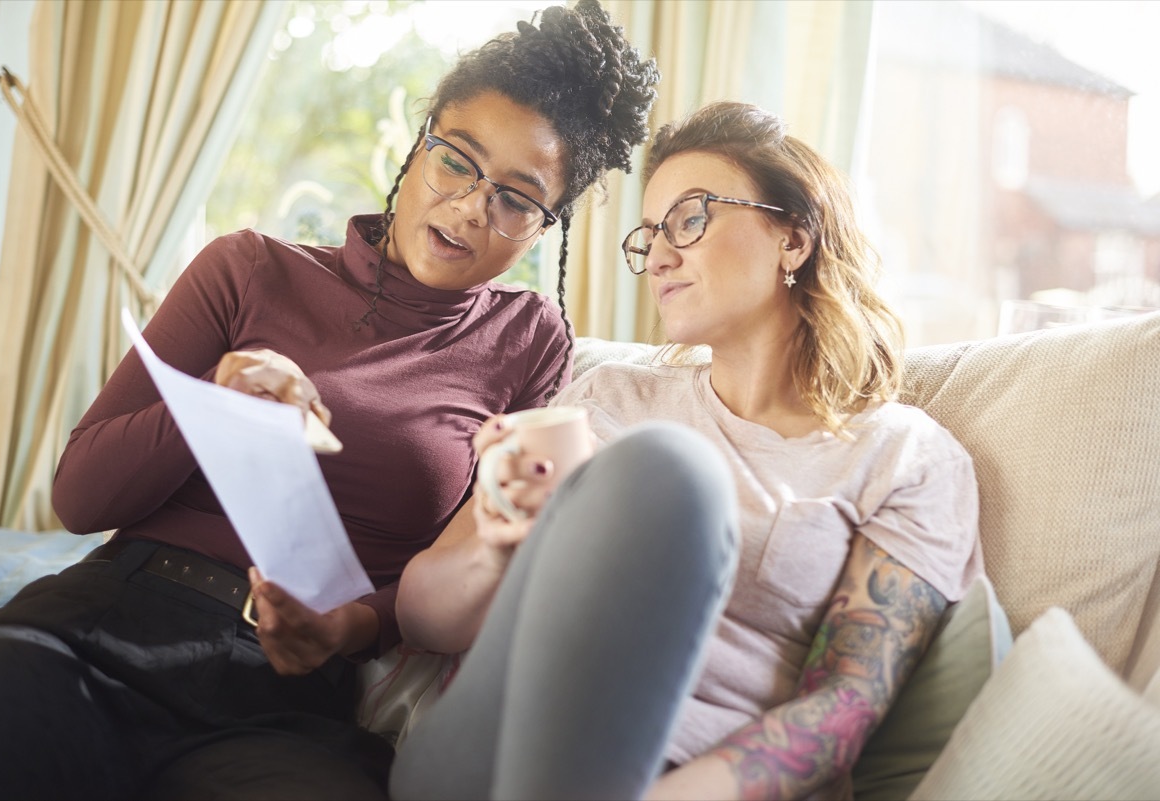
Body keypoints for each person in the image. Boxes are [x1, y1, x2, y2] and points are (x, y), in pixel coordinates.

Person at [0, 3, 659, 798]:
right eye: (457, 160)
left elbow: (463, 562)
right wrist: (214, 403)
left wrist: (347, 626)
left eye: (517, 199)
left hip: (285, 692)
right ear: (419, 144)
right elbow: (81, 499)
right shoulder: (247, 268)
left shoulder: (528, 341)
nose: (472, 205)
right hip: (107, 625)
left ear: (543, 226)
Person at [389, 101, 984, 800]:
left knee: (673, 472)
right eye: (649, 235)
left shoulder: (907, 458)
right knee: (662, 468)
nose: (660, 256)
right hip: (490, 745)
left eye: (689, 219)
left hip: (683, 780)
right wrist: (499, 542)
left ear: (794, 238)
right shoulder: (608, 396)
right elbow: (421, 620)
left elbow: (841, 710)